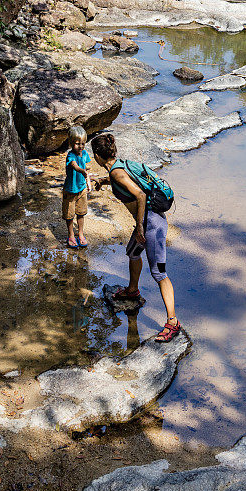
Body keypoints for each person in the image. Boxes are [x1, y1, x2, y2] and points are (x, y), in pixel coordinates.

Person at [90, 133, 182, 343]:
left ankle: (173, 322)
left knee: (159, 273)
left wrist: (139, 226)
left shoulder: (116, 173)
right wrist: (103, 181)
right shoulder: (118, 167)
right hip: (148, 221)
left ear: (97, 156)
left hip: (152, 224)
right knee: (132, 252)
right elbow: (123, 181)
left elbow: (140, 195)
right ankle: (132, 290)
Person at [64, 126, 92, 249]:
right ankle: (71, 234)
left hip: (81, 188)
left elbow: (86, 168)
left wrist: (88, 182)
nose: (80, 147)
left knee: (81, 213)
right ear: (71, 143)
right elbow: (75, 166)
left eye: (83, 144)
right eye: (77, 144)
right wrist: (82, 171)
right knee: (69, 214)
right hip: (70, 190)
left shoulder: (85, 154)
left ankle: (80, 233)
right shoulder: (70, 156)